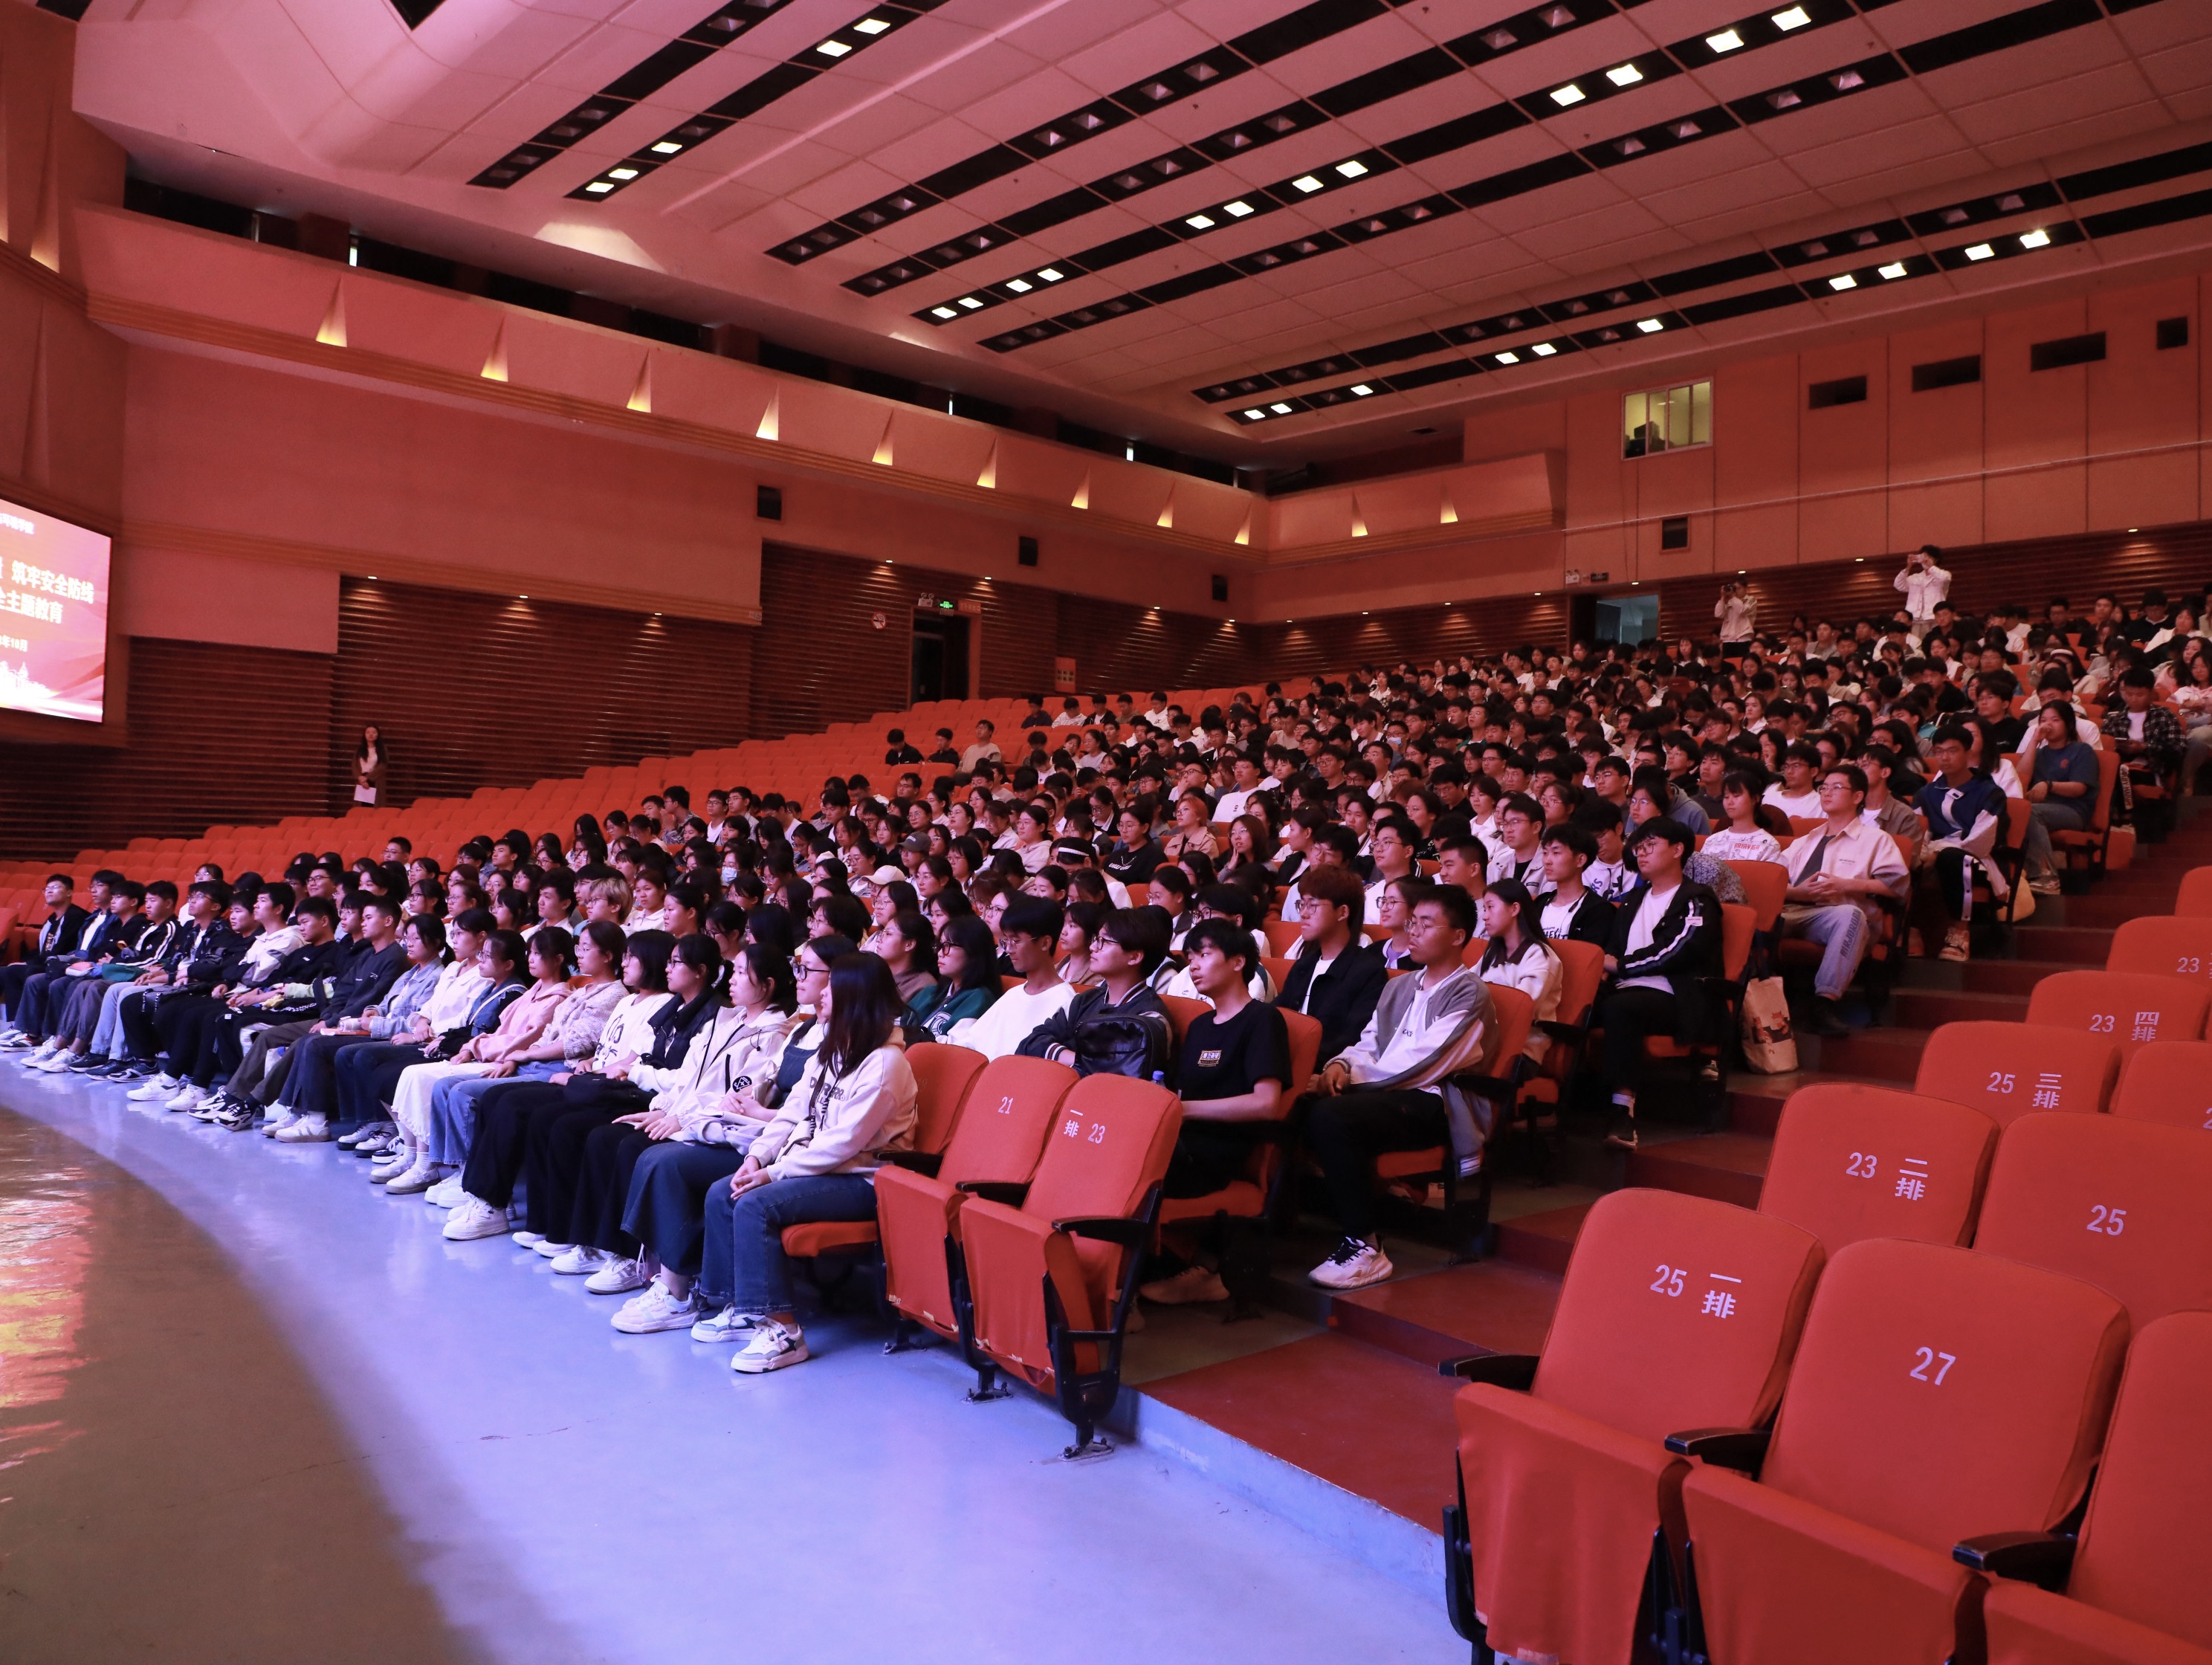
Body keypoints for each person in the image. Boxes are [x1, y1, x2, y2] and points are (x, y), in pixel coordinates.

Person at [693, 954, 918, 1373]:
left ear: (856, 996)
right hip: (821, 1169)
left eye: (833, 986)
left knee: (756, 1204)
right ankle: (743, 1309)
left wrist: (773, 1173)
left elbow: (843, 1145)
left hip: (865, 1181)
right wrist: (758, 1155)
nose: (823, 993)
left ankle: (786, 1334)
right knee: (723, 1192)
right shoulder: (833, 1048)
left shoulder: (886, 1064)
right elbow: (791, 1113)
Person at [1303, 885, 1496, 1291]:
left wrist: (1351, 1081)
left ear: (1458, 936)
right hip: (1386, 1094)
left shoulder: (1469, 992)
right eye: (1412, 923)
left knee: (1331, 1114)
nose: (1414, 932)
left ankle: (1365, 1245)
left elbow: (1426, 1062)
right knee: (1299, 1104)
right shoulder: (1400, 985)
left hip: (1435, 1103)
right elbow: (1369, 1042)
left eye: (1426, 924)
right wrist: (1340, 1065)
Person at [1139, 918, 1294, 1307]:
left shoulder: (1262, 1020)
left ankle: (1126, 1290)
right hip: (1180, 1142)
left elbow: (1266, 1102)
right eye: (1190, 957)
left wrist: (1184, 1110)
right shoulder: (1201, 1025)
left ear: (1238, 962)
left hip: (1214, 1153)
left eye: (1204, 955)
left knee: (1127, 1171)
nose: (1193, 965)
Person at [1596, 819, 1722, 1151]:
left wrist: (1621, 966)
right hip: (1627, 988)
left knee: (1621, 1009)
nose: (1641, 853)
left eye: (1650, 845)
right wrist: (1603, 971)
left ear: (1678, 850)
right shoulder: (1634, 899)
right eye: (1638, 847)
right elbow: (1612, 948)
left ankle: (1622, 1110)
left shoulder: (1697, 900)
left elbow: (1678, 951)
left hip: (1676, 996)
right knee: (1578, 1005)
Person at [1779, 766, 1908, 1035]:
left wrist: (1846, 885)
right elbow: (1774, 880)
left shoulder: (1875, 839)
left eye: (1836, 787)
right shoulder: (1806, 839)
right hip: (1789, 910)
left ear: (1858, 796)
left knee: (1851, 915)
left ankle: (1823, 1005)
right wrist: (1798, 893)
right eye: (1824, 787)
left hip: (1833, 916)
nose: (1826, 793)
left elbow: (1897, 886)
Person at [1017, 908, 1173, 1078]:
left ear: (1134, 957)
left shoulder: (1150, 1019)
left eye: (1104, 941)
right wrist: (1078, 1060)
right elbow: (1030, 1043)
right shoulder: (1083, 1000)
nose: (1092, 947)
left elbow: (1111, 1076)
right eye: (1096, 939)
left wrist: (1069, 1058)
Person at [1272, 865, 1387, 1065]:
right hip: (1282, 1063)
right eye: (1302, 904)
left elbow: (1353, 1040)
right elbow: (1275, 1015)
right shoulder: (1304, 965)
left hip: (1323, 1069)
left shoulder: (1368, 972)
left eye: (1312, 905)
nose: (1303, 914)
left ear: (1342, 912)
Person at [1913, 723, 2008, 964]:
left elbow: (1981, 841)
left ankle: (1959, 933)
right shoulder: (1926, 794)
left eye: (1952, 751)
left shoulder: (1989, 792)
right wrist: (1923, 853)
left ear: (1968, 752)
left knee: (1952, 858)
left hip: (1979, 859)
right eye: (1939, 751)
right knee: (1906, 857)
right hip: (1934, 854)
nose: (1944, 757)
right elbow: (1920, 831)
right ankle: (1911, 931)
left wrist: (1939, 852)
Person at [948, 896, 1072, 1058]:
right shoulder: (1012, 995)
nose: (1009, 949)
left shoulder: (1066, 1002)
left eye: (1016, 941)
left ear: (1045, 943)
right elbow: (971, 1042)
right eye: (1006, 941)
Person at [1475, 879, 1562, 1061]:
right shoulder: (1493, 953)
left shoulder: (1540, 956)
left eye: (1490, 907)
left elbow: (1520, 1008)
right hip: (1484, 1040)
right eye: (1484, 909)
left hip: (1520, 1050)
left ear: (1514, 909)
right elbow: (1467, 985)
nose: (1484, 916)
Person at [2022, 702, 2098, 893]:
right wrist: (2034, 741)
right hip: (2042, 808)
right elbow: (2021, 777)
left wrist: (2049, 785)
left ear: (2068, 724)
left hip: (2073, 810)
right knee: (2013, 811)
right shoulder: (2040, 753)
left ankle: (2047, 876)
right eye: (2043, 720)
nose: (2048, 725)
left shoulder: (2082, 750)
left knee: (2030, 812)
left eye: (2055, 720)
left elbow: (2079, 788)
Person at [909, 915, 1000, 1039]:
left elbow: (953, 1046)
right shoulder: (931, 991)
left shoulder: (979, 999)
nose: (940, 953)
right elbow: (895, 1022)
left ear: (973, 951)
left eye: (947, 945)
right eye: (940, 945)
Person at [1533, 824, 1614, 946]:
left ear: (1580, 860)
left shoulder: (1599, 911)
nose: (1547, 861)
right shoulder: (1539, 904)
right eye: (1545, 853)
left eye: (1556, 853)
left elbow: (1590, 955)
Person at [1698, 773, 1783, 864]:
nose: (1730, 802)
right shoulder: (1712, 840)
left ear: (1755, 798)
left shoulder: (1769, 845)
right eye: (1726, 797)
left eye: (1736, 796)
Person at [1895, 546, 1951, 628]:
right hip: (1915, 618)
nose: (1925, 560)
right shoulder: (1915, 577)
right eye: (1923, 556)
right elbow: (1898, 585)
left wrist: (1931, 567)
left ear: (1936, 560)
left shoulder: (1944, 574)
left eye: (1929, 557)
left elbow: (1944, 578)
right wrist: (1908, 567)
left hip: (1933, 618)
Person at [353, 724, 389, 806]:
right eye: (368, 732)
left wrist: (368, 778)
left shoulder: (382, 749)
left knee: (374, 807)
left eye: (374, 732)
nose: (371, 734)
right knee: (363, 807)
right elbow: (354, 765)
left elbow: (383, 766)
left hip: (375, 779)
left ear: (378, 735)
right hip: (362, 781)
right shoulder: (360, 750)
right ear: (365, 735)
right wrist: (360, 778)